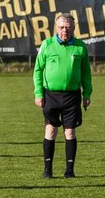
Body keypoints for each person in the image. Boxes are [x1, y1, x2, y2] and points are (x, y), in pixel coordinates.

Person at [33, 13, 93, 178]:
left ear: (73, 28)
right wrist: (38, 93)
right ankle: (47, 170)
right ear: (56, 28)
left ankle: (70, 171)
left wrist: (87, 93)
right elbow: (37, 70)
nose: (64, 30)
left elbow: (86, 73)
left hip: (72, 96)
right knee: (50, 130)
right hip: (50, 95)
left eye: (68, 27)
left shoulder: (80, 47)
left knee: (70, 132)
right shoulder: (47, 45)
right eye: (61, 27)